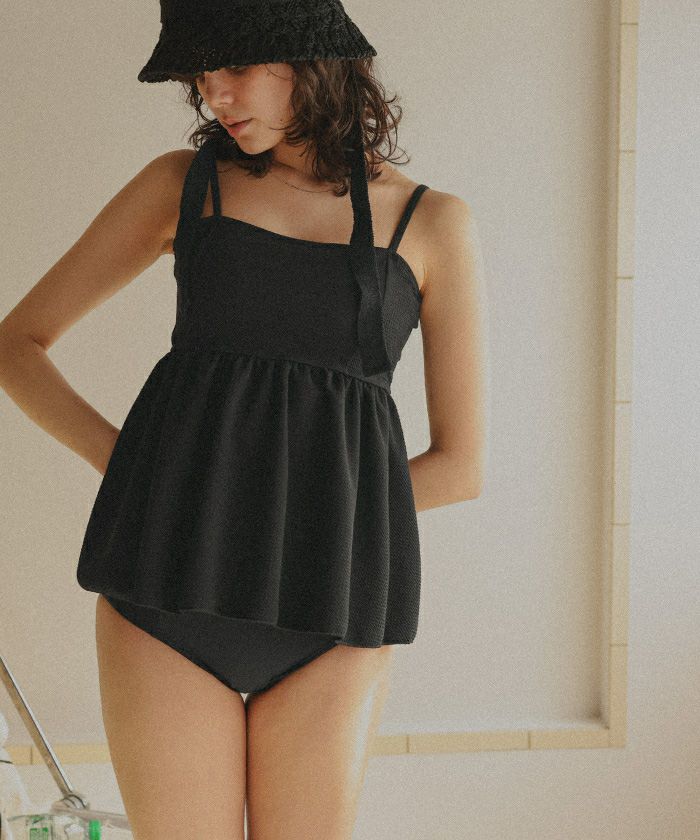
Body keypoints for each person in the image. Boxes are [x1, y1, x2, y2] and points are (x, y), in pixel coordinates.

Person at [0, 1, 487, 837]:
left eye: (233, 67)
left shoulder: (432, 222)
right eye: (201, 75)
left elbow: (461, 466)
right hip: (165, 585)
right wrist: (132, 465)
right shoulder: (182, 185)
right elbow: (17, 345)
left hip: (334, 602)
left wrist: (310, 518)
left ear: (309, 57)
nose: (213, 94)